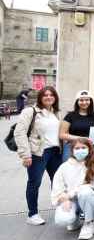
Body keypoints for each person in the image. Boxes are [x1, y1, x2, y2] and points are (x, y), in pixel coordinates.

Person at [15, 86, 63, 225]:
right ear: (40, 97)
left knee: (58, 182)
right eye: (45, 95)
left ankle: (62, 209)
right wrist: (25, 155)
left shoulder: (55, 113)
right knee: (34, 183)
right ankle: (33, 214)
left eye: (51, 95)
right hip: (38, 153)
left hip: (55, 152)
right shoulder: (30, 111)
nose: (48, 97)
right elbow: (19, 133)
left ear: (55, 97)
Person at [50, 138, 94, 240]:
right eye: (77, 148)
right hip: (70, 200)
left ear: (89, 149)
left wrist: (70, 194)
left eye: (83, 148)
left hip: (89, 197)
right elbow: (57, 187)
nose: (80, 150)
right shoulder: (64, 167)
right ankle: (75, 219)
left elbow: (93, 185)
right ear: (72, 151)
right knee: (64, 219)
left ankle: (89, 223)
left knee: (85, 191)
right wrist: (64, 199)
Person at [59, 90, 94, 161]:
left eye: (87, 100)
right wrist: (82, 138)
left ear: (90, 101)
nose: (84, 102)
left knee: (90, 170)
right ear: (77, 102)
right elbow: (62, 135)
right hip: (72, 147)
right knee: (71, 170)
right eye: (81, 100)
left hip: (90, 148)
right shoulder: (70, 116)